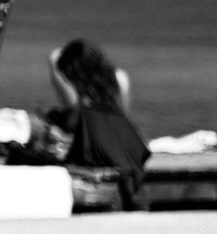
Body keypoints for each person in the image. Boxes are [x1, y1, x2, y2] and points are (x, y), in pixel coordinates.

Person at [45, 37, 150, 209]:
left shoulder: (75, 95)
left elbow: (54, 58)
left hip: (92, 156)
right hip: (127, 151)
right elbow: (123, 116)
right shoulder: (120, 79)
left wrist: (56, 60)